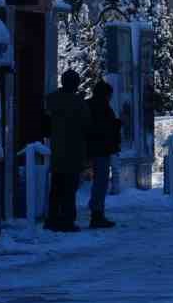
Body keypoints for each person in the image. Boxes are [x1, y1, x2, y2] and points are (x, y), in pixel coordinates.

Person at [43, 69, 89, 232]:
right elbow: (86, 125)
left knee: (56, 188)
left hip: (57, 150)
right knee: (70, 190)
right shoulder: (79, 104)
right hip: (73, 151)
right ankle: (67, 220)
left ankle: (53, 218)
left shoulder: (52, 100)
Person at [85, 78, 121, 229]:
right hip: (101, 150)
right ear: (105, 94)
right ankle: (97, 214)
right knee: (101, 182)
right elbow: (106, 130)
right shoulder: (104, 108)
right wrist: (117, 124)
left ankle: (95, 210)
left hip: (89, 149)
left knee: (97, 182)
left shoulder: (88, 105)